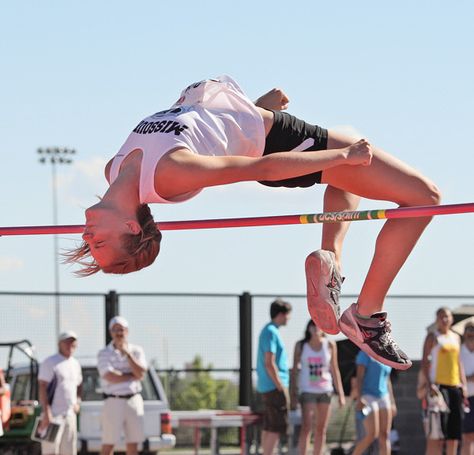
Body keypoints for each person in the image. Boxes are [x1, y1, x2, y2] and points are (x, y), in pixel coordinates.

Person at [66, 75, 441, 370]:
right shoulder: (168, 175)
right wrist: (342, 154)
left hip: (268, 131)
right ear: (132, 227)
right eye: (99, 244)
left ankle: (332, 261)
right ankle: (367, 316)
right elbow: (260, 166)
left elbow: (202, 129)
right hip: (280, 145)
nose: (87, 236)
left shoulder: (113, 168)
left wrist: (254, 107)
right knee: (424, 198)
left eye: (91, 245)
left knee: (346, 181)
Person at [290, 319, 345, 455]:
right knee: (306, 426)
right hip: (307, 389)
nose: (315, 328)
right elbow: (295, 371)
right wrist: (293, 393)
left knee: (321, 428)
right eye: (312, 325)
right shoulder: (301, 345)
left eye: (318, 325)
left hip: (325, 390)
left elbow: (335, 369)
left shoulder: (330, 344)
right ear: (308, 328)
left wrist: (341, 394)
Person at [97, 316, 147, 455]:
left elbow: (142, 372)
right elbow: (109, 377)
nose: (119, 333)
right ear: (110, 332)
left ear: (127, 331)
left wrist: (128, 355)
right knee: (109, 443)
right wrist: (132, 375)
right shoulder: (104, 353)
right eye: (115, 330)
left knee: (133, 443)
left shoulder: (136, 350)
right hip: (113, 400)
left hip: (133, 400)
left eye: (122, 329)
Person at [421, 307, 468, 455]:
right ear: (437, 320)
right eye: (441, 317)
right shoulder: (432, 337)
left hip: (455, 386)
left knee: (454, 434)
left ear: (451, 319)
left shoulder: (456, 337)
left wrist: (464, 384)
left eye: (447, 316)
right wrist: (430, 384)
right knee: (438, 433)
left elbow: (458, 362)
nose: (444, 319)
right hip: (439, 388)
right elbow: (424, 362)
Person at [38, 331, 83, 455]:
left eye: (73, 341)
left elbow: (79, 385)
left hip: (69, 416)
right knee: (50, 452)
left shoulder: (76, 364)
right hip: (53, 416)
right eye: (67, 341)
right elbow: (42, 387)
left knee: (69, 452)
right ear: (59, 344)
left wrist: (78, 402)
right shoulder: (50, 362)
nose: (70, 344)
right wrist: (46, 413)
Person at [256, 299, 292, 455]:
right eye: (288, 315)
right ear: (282, 314)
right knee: (275, 428)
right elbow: (269, 363)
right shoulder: (271, 331)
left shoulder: (269, 330)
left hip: (269, 386)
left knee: (269, 426)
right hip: (273, 386)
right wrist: (280, 386)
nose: (289, 318)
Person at [351, 350, 396, 455]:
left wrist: (392, 402)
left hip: (384, 396)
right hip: (368, 396)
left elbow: (387, 380)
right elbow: (359, 377)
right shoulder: (365, 353)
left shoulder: (387, 354)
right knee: (371, 434)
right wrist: (359, 398)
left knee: (385, 435)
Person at [461, 321, 474, 455]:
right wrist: (469, 378)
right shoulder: (458, 351)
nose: (471, 333)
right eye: (469, 330)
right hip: (465, 399)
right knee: (467, 436)